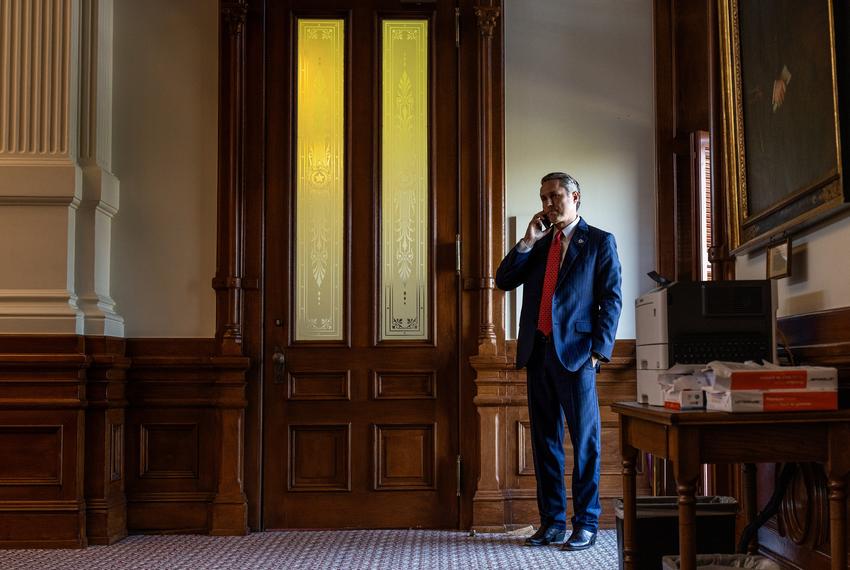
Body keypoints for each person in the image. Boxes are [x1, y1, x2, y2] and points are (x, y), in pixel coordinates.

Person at [495, 172, 622, 551]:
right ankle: (551, 522)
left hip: (577, 356)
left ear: (575, 197)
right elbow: (503, 280)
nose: (549, 204)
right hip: (538, 352)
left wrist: (598, 352)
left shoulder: (599, 241)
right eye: (544, 198)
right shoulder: (538, 243)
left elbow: (610, 299)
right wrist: (527, 239)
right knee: (545, 441)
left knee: (585, 443)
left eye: (555, 196)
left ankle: (585, 523)